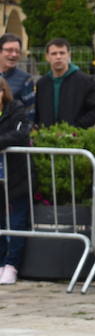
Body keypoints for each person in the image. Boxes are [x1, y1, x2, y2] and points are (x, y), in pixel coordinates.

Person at [0, 76, 33, 284]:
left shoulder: (16, 109)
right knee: (0, 222)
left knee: (18, 221)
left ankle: (12, 264)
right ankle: (1, 262)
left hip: (16, 175)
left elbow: (20, 134)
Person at [35, 38, 95, 129]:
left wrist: (77, 127)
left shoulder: (84, 81)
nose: (58, 57)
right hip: (46, 138)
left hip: (75, 139)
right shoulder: (42, 84)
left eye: (62, 53)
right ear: (47, 57)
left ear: (69, 55)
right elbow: (38, 113)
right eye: (54, 53)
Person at [0, 34, 35, 121]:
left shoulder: (25, 79)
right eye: (9, 50)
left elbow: (29, 112)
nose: (14, 54)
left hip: (10, 131)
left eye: (17, 51)